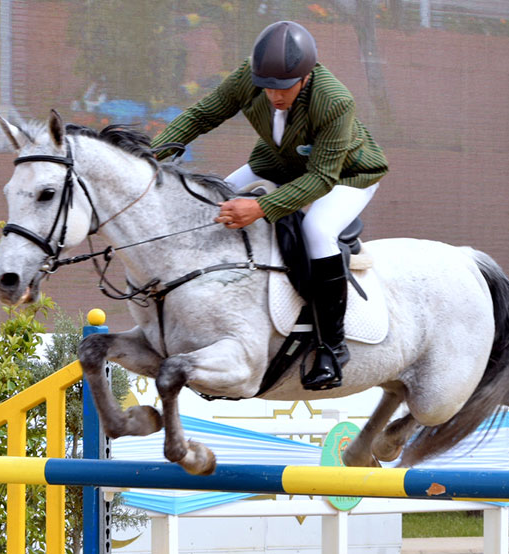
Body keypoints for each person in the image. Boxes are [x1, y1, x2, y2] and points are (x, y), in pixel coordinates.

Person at [151, 20, 388, 390]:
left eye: (284, 87)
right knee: (212, 207)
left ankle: (331, 347)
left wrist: (261, 208)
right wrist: (150, 156)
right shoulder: (250, 77)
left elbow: (319, 179)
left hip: (346, 176)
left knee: (318, 230)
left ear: (306, 76)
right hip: (278, 164)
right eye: (267, 87)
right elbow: (201, 116)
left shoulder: (334, 101)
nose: (274, 96)